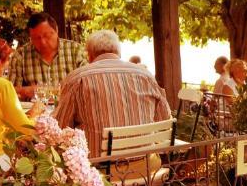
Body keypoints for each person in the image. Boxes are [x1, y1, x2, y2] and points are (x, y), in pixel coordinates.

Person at [53, 30, 172, 158]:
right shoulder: (146, 76)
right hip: (146, 167)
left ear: (90, 55)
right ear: (118, 52)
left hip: (97, 171)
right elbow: (165, 119)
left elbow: (59, 126)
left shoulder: (77, 79)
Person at [9, 12, 87, 100]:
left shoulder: (76, 50)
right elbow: (10, 91)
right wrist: (26, 91)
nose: (42, 42)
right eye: (36, 38)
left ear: (56, 30)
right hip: (35, 110)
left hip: (70, 107)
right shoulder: (20, 56)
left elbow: (88, 84)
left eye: (47, 36)